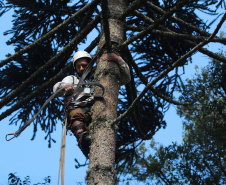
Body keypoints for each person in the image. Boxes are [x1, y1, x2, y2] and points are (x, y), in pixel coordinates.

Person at [53, 50, 131, 157]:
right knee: (77, 117)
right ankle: (83, 140)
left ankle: (94, 147)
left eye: (84, 65)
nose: (81, 68)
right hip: (78, 110)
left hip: (94, 113)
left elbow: (126, 78)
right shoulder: (72, 79)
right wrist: (66, 87)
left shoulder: (98, 81)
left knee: (97, 131)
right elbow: (57, 88)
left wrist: (118, 59)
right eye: (78, 66)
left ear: (90, 65)